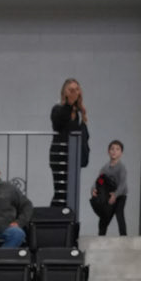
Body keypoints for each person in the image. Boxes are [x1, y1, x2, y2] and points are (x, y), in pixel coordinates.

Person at [48, 78, 89, 207]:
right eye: (71, 90)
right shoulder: (57, 109)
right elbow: (58, 124)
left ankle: (69, 217)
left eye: (76, 90)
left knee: (71, 193)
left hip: (73, 157)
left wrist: (83, 117)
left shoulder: (77, 113)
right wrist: (69, 104)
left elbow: (82, 135)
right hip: (60, 156)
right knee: (61, 192)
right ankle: (54, 216)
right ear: (64, 92)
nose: (74, 93)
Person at [89, 140, 128, 237]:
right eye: (112, 149)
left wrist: (115, 195)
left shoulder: (121, 167)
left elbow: (122, 184)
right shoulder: (105, 168)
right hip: (108, 196)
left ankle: (124, 238)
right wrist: (94, 189)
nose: (114, 151)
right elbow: (99, 180)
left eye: (117, 149)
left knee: (119, 214)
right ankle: (101, 237)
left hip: (120, 196)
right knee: (105, 217)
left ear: (121, 153)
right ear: (108, 151)